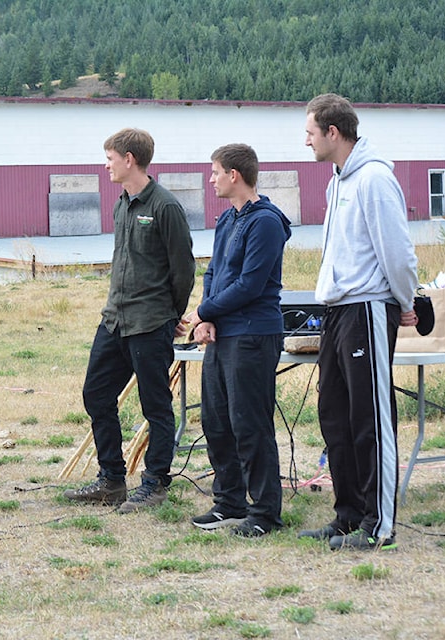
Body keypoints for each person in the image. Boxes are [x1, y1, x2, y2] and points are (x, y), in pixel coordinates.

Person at [299, 93, 419, 550]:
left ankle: (379, 525)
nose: (305, 141)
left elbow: (397, 252)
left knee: (370, 416)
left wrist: (404, 300)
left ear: (333, 132)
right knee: (335, 415)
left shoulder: (373, 179)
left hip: (367, 307)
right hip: (336, 311)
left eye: (310, 132)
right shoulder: (337, 183)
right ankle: (348, 514)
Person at [64, 128, 195, 513]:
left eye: (109, 158)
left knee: (155, 405)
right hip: (114, 321)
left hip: (150, 323)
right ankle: (112, 480)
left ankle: (155, 483)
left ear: (129, 159)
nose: (106, 165)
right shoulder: (122, 204)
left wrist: (169, 315)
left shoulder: (166, 207)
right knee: (96, 394)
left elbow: (183, 270)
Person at [182, 144, 291, 537]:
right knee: (217, 421)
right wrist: (206, 318)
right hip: (224, 332)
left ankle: (264, 513)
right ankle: (229, 502)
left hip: (252, 333)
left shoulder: (265, 222)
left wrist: (204, 313)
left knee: (250, 424)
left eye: (215, 172)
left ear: (235, 175)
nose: (210, 180)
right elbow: (214, 274)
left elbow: (249, 284)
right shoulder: (228, 220)